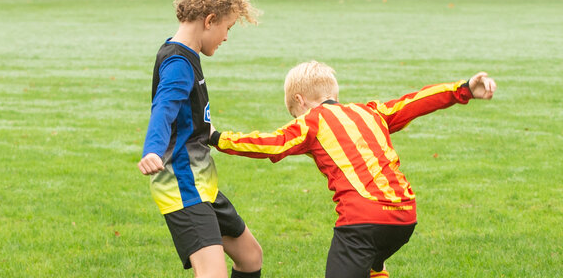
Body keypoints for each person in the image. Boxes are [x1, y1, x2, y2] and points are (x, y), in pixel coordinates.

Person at [209, 61, 496, 278]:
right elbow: (415, 102)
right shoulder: (371, 112)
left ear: (300, 101)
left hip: (362, 221)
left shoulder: (312, 121)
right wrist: (463, 88)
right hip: (404, 216)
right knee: (373, 265)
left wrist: (216, 137)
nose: (296, 119)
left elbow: (273, 144)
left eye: (294, 114)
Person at [138, 0, 263, 278]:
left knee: (250, 256)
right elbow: (163, 110)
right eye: (227, 27)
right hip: (182, 185)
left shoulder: (184, 55)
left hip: (201, 183)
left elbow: (189, 121)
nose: (226, 37)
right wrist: (152, 148)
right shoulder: (179, 64)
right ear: (209, 20)